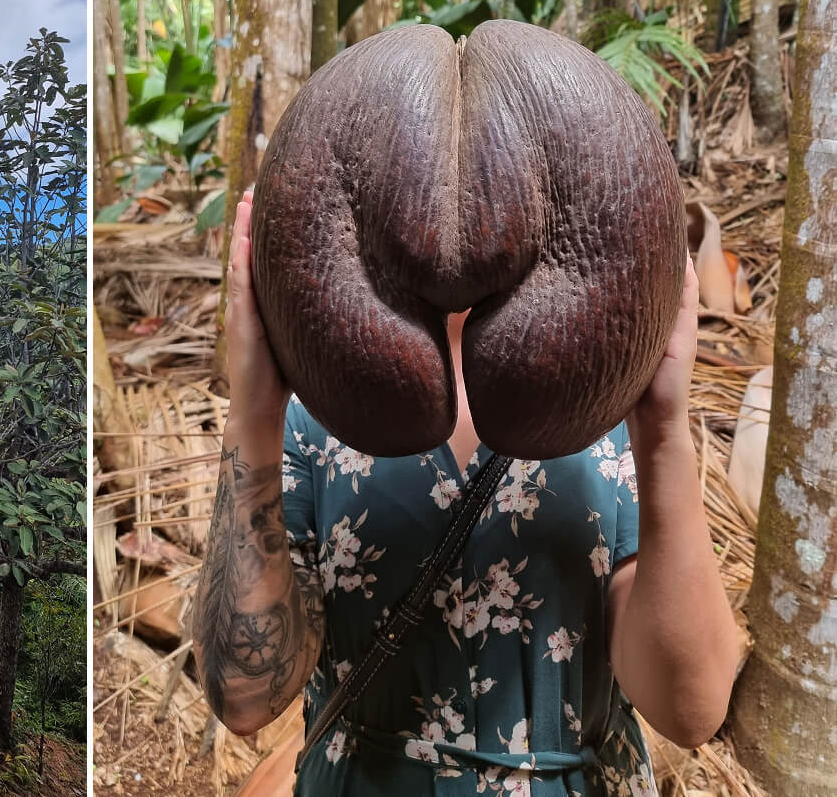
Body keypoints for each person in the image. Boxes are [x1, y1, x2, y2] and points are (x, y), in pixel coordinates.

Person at [192, 190, 742, 796]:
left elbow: (691, 709)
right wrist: (252, 411)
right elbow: (244, 698)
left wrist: (662, 428)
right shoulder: (319, 405)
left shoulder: (606, 393)